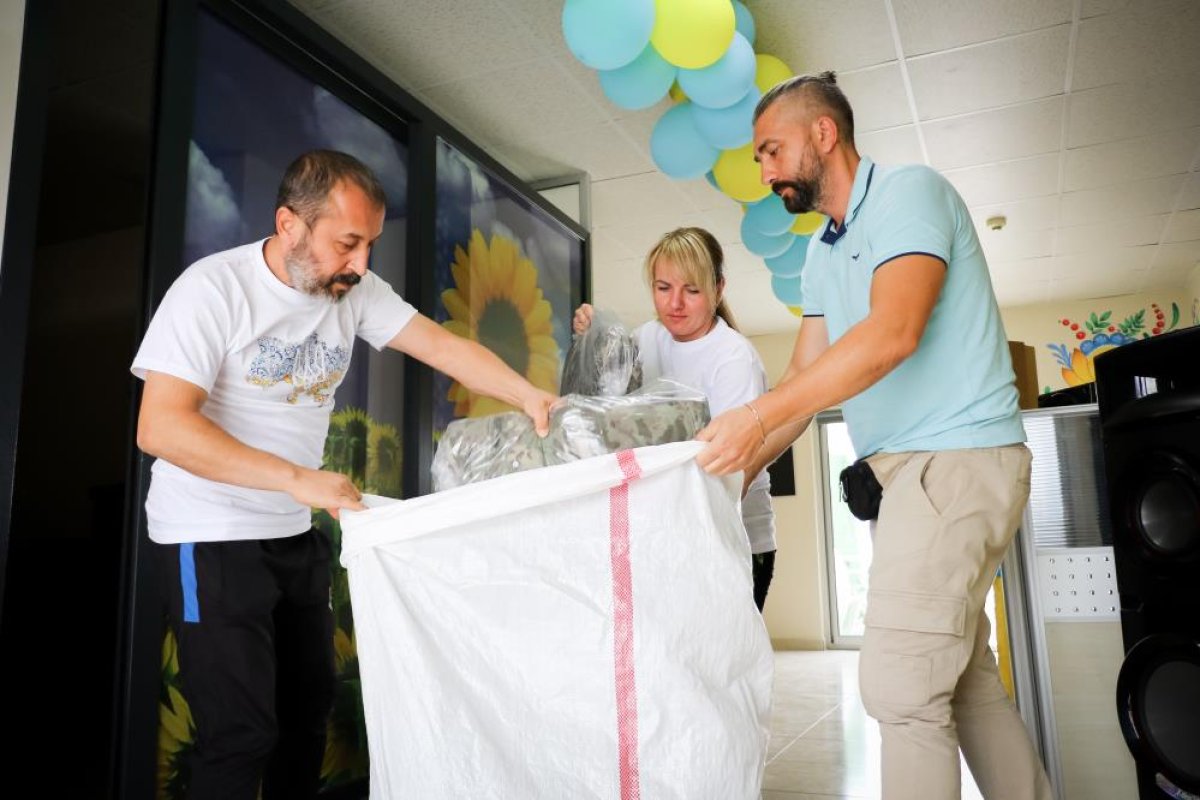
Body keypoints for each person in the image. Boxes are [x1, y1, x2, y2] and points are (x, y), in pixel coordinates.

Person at [132, 149, 556, 800]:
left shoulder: (354, 292)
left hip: (289, 533)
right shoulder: (211, 290)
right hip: (206, 534)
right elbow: (160, 428)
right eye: (348, 243)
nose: (361, 264)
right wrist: (297, 479)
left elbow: (442, 346)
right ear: (289, 225)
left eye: (370, 245)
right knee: (239, 733)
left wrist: (530, 397)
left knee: (307, 715)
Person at [695, 73, 1053, 800]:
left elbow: (894, 332)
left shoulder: (908, 194)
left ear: (824, 134)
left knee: (900, 686)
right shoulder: (821, 254)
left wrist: (754, 419)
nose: (763, 172)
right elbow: (802, 380)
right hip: (907, 480)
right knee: (963, 682)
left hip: (955, 460)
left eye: (771, 151)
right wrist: (722, 476)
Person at [574, 227, 777, 610]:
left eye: (692, 290)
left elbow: (732, 468)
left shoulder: (733, 358)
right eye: (663, 288)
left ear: (718, 289)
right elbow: (612, 408)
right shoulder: (647, 338)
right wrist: (594, 334)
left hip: (733, 538)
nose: (675, 303)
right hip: (665, 534)